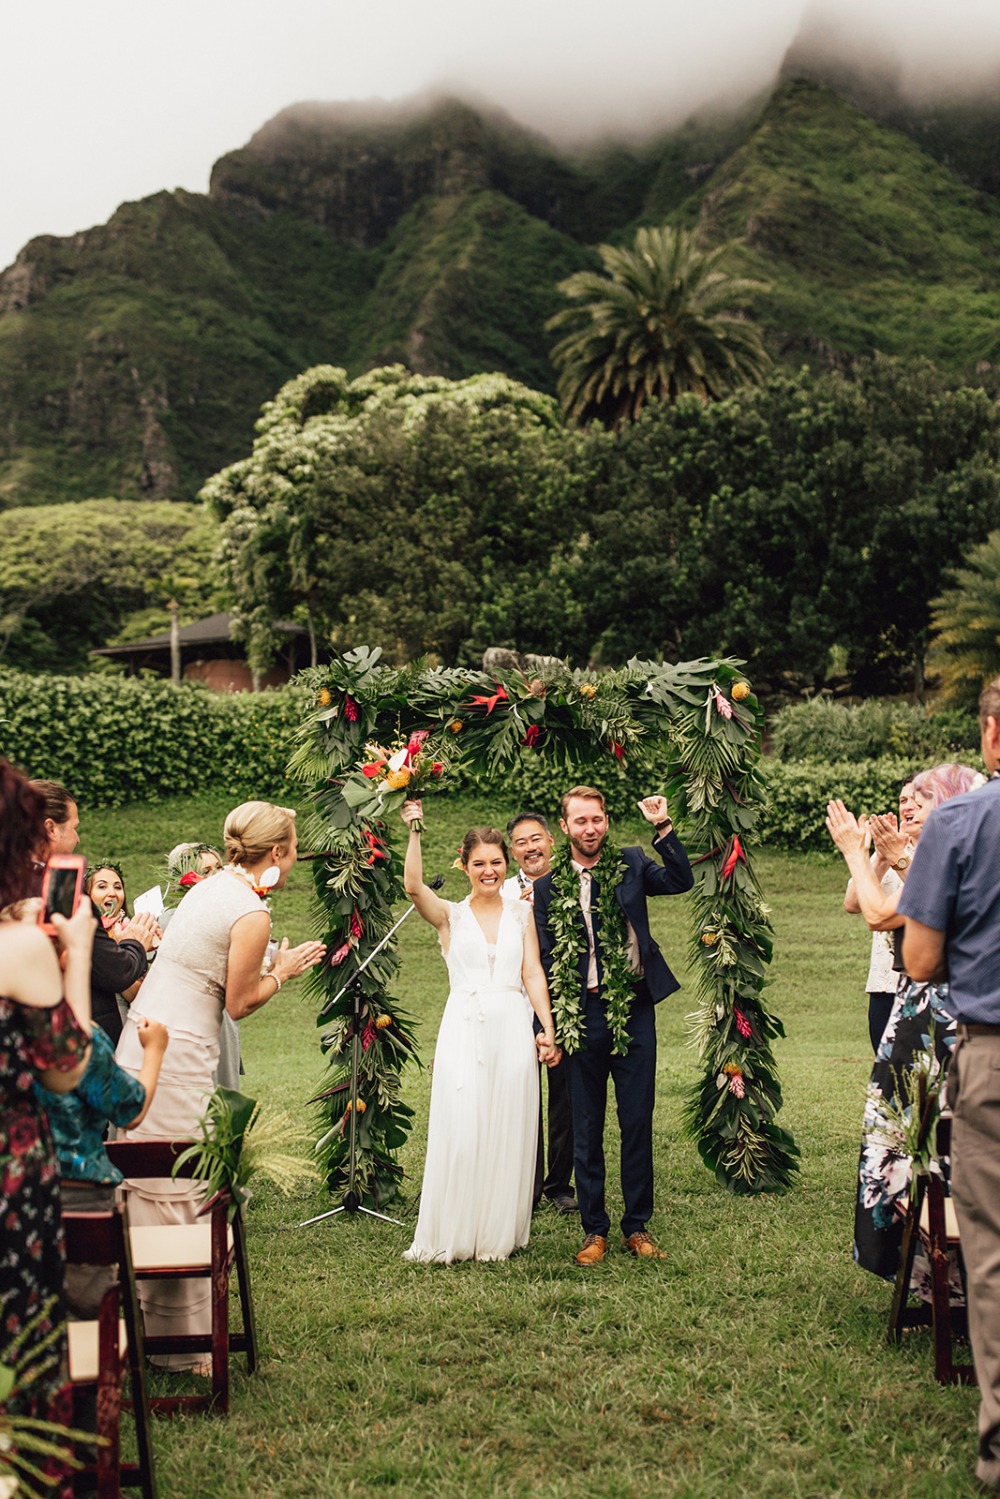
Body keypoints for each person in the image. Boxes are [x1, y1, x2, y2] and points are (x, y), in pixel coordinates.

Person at [115, 800, 325, 1371]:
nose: (297, 855)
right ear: (278, 852)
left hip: (141, 1044)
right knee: (184, 1182)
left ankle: (148, 1331)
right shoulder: (250, 912)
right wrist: (282, 972)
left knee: (150, 1179)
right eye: (294, 846)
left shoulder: (209, 888)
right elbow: (238, 1002)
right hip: (179, 1054)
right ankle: (182, 1349)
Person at [897, 680, 1000, 1491]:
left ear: (991, 738)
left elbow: (921, 962)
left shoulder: (960, 822)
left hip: (991, 1055)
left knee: (992, 1251)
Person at [826, 763, 984, 1282]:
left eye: (924, 798)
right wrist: (886, 856)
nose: (912, 806)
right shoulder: (971, 857)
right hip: (953, 1015)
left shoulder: (946, 862)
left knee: (912, 1143)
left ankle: (922, 1262)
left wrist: (853, 848)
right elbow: (862, 901)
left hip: (937, 1019)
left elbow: (877, 913)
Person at [532, 786, 693, 1265]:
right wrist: (550, 1027)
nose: (590, 828)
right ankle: (594, 1229)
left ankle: (637, 1227)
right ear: (565, 827)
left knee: (637, 1120)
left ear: (606, 821)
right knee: (586, 1125)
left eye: (597, 819)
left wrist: (663, 826)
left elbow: (681, 879)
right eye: (580, 821)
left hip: (635, 1011)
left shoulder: (632, 862)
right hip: (581, 1016)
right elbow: (542, 959)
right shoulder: (546, 887)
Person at [400, 799, 560, 1263]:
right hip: (463, 1029)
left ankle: (497, 1235)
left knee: (508, 1128)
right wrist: (414, 830)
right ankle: (455, 1230)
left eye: (495, 863)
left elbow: (532, 972)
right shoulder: (449, 914)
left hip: (513, 1026)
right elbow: (412, 886)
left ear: (505, 865)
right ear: (464, 864)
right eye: (479, 864)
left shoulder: (520, 913)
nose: (488, 871)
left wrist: (546, 1028)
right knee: (464, 1131)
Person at [0, 761, 94, 1499]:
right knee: (20, 1354)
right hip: (11, 1184)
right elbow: (67, 1070)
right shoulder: (20, 946)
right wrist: (79, 953)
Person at [38, 1014, 168, 1317]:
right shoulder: (75, 1037)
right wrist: (154, 1050)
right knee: (88, 1311)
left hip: (15, 1192)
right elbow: (129, 1108)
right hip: (77, 1193)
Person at [29, 780, 157, 1045]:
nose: (77, 838)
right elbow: (111, 971)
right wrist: (134, 941)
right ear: (51, 828)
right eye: (74, 828)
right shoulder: (58, 885)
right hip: (68, 1034)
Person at [504, 812, 576, 1216]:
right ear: (512, 850)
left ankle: (559, 1184)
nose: (530, 848)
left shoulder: (570, 883)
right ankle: (526, 1184)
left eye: (536, 839)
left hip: (565, 1003)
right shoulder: (504, 892)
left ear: (551, 840)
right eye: (520, 842)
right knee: (523, 1096)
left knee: (565, 1096)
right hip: (519, 1003)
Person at [843, 779, 917, 1053]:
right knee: (887, 1069)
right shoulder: (886, 850)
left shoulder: (941, 852)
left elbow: (928, 897)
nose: (908, 806)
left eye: (915, 800)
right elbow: (852, 903)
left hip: (921, 984)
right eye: (902, 801)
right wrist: (881, 857)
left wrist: (899, 857)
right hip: (883, 984)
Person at [162, 842, 241, 1088]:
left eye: (219, 868)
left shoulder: (228, 915)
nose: (217, 876)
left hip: (223, 1022)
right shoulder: (168, 921)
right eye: (206, 871)